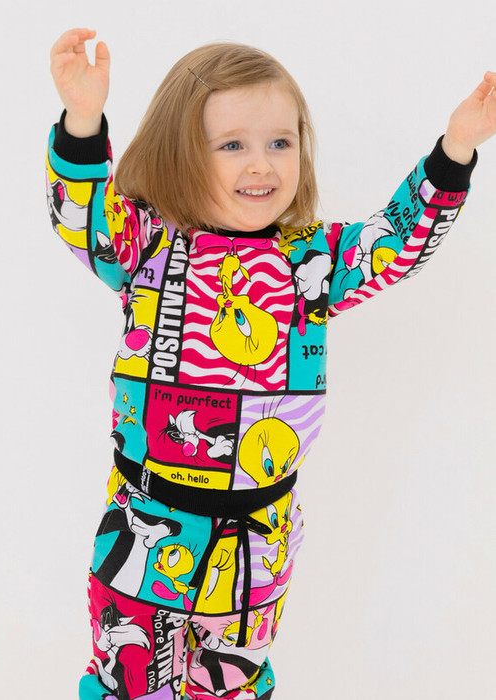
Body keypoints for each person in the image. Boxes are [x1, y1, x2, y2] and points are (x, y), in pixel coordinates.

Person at [46, 27, 496, 700]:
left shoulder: (310, 261)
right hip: (145, 527)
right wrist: (83, 122)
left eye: (280, 143)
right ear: (179, 152)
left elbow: (395, 241)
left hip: (260, 540)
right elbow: (83, 220)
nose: (261, 165)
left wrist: (455, 149)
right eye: (232, 145)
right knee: (129, 683)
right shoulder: (149, 246)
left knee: (233, 685)